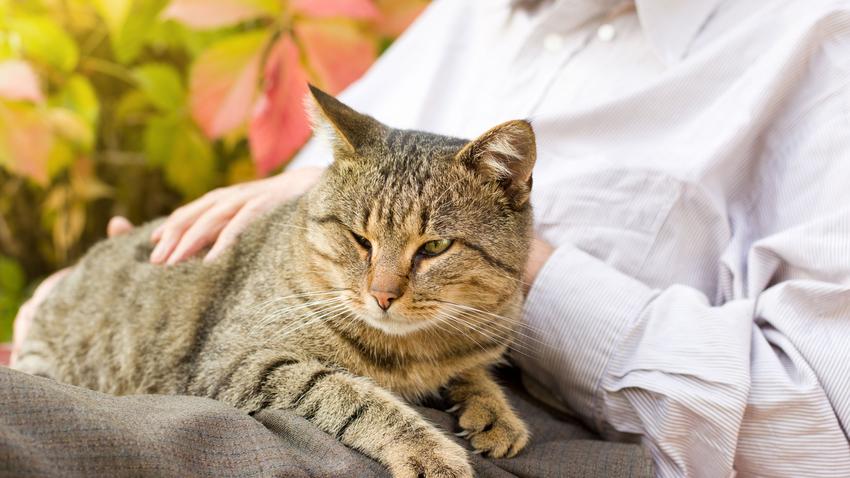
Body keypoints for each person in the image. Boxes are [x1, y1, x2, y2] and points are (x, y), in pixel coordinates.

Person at [13, 0, 850, 476]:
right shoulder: (470, 13)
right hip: (249, 368)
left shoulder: (817, 40)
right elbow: (312, 212)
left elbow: (818, 428)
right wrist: (121, 279)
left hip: (507, 439)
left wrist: (532, 275)